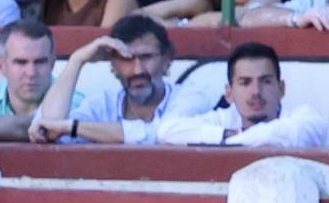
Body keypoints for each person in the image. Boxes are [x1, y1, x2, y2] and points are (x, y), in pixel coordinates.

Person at [29, 13, 205, 143]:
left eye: (146, 57)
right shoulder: (103, 104)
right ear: (113, 65)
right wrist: (77, 60)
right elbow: (45, 129)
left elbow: (159, 133)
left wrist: (73, 127)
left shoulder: (189, 97)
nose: (137, 70)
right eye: (126, 59)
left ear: (167, 60)